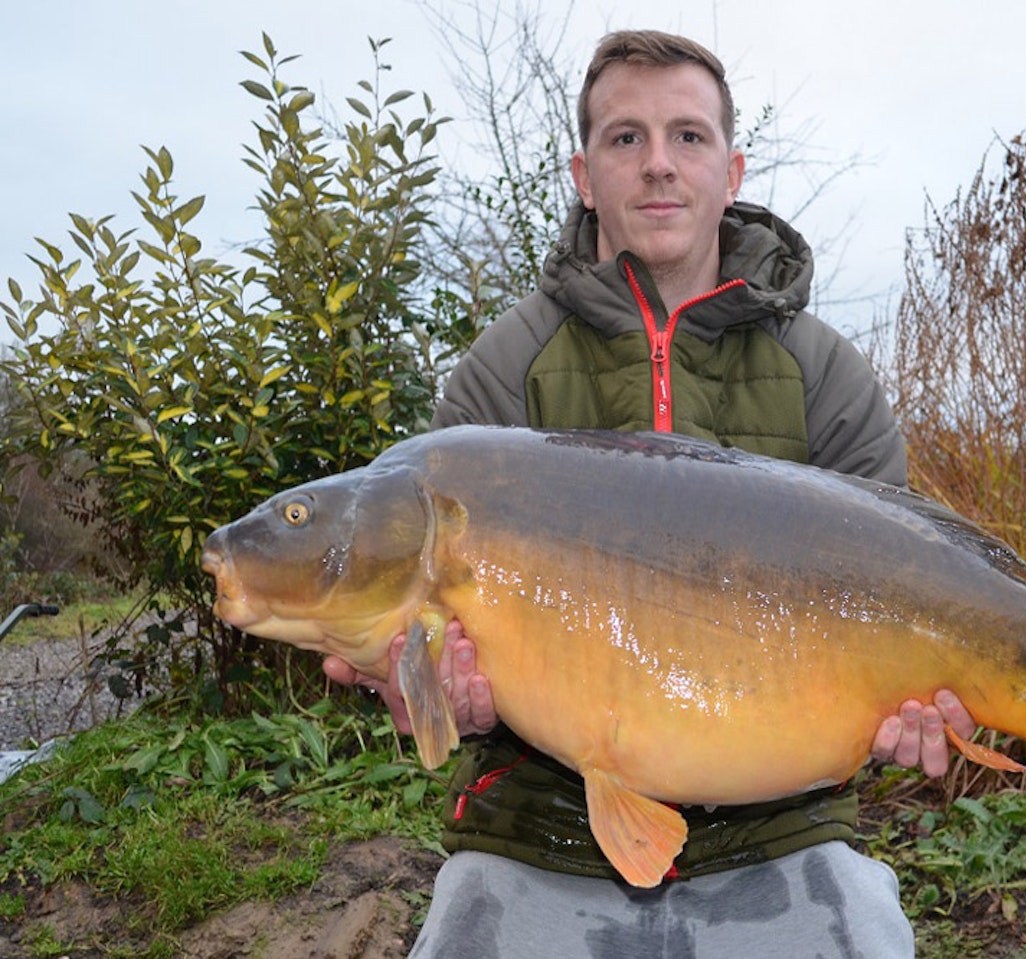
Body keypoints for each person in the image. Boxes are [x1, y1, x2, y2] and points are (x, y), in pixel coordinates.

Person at [324, 29, 974, 958]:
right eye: (626, 139)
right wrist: (435, 692)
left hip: (779, 829)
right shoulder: (500, 380)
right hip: (538, 829)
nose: (659, 164)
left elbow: (906, 586)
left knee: (867, 932)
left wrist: (919, 707)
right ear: (585, 174)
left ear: (731, 167)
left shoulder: (824, 375)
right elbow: (422, 658)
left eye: (688, 137)